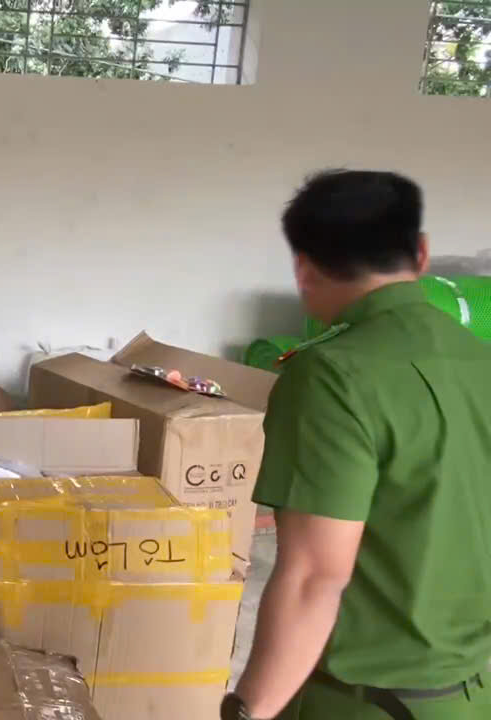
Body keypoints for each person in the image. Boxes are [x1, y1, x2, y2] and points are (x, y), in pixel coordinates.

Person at [222, 170, 491, 720]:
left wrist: (249, 711)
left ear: (304, 268)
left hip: (363, 702)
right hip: (472, 692)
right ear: (421, 253)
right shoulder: (479, 358)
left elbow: (315, 578)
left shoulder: (331, 375)